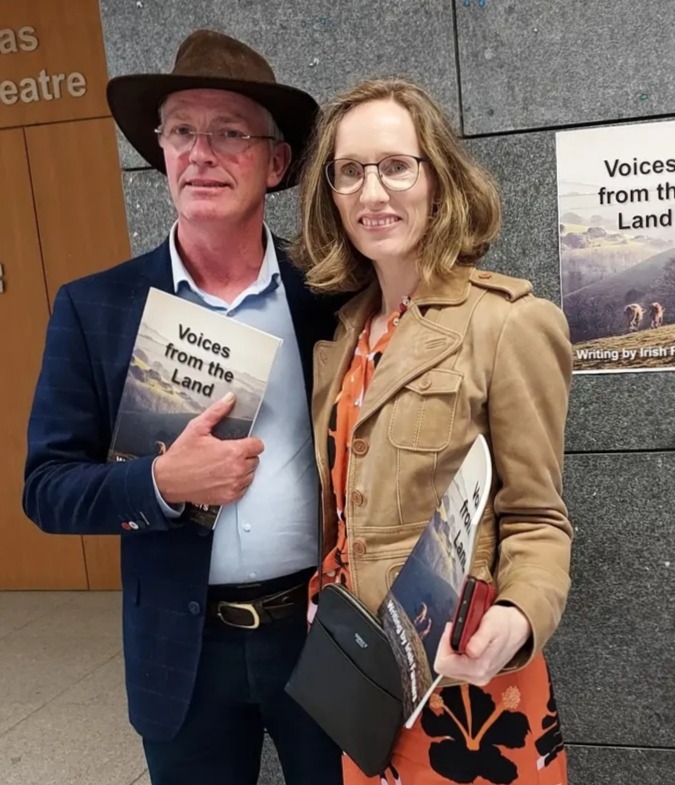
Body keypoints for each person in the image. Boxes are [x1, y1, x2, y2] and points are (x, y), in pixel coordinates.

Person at [23, 29, 343, 785]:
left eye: (229, 133)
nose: (200, 153)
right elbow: (47, 489)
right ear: (161, 152)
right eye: (180, 131)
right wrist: (161, 483)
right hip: (182, 648)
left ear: (275, 163)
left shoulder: (331, 294)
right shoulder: (96, 307)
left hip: (320, 628)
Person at [294, 78, 573, 785]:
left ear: (438, 179)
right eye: (349, 171)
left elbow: (538, 518)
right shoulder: (344, 336)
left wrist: (516, 617)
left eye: (396, 165)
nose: (371, 191)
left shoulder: (508, 323)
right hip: (366, 687)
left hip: (471, 694)